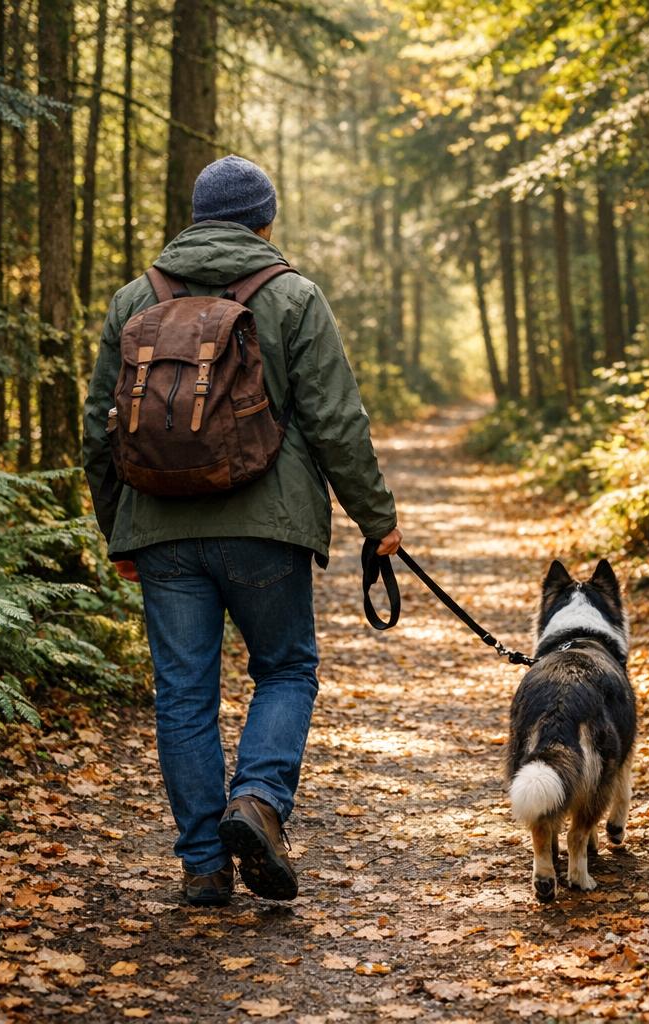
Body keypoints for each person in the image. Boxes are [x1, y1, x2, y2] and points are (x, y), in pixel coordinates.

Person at [83, 154, 401, 906]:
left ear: (195, 218)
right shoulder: (291, 296)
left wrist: (117, 532)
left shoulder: (136, 298)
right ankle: (256, 801)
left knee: (183, 693)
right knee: (285, 668)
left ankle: (202, 864)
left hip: (160, 529)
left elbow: (101, 432)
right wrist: (376, 519)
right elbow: (334, 421)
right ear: (266, 220)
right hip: (269, 523)